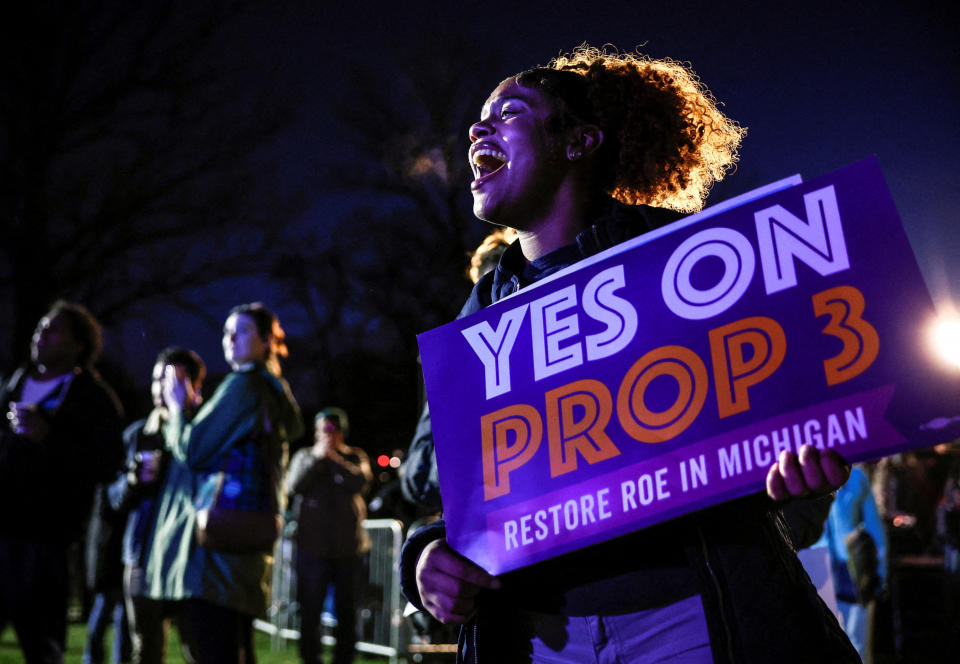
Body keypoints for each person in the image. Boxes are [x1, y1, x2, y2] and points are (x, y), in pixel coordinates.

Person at [399, 46, 859, 663]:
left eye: (508, 112)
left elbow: (789, 417)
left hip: (695, 625)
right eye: (480, 117)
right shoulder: (478, 311)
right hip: (536, 637)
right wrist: (425, 555)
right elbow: (467, 492)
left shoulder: (692, 259)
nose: (478, 128)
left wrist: (798, 481)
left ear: (578, 142)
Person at [144, 303, 304, 663]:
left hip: (218, 554)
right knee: (237, 647)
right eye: (227, 331)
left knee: (214, 646)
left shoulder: (242, 384)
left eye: (243, 330)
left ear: (266, 341)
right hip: (248, 544)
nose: (230, 337)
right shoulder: (273, 388)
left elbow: (193, 449)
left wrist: (177, 408)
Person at [0, 300, 124, 664]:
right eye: (40, 328)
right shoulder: (15, 383)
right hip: (2, 529)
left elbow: (106, 464)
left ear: (78, 344)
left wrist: (49, 437)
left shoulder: (92, 398)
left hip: (46, 538)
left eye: (54, 330)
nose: (42, 336)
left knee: (41, 643)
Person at [108, 347, 206, 664]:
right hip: (141, 556)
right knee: (145, 649)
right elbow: (113, 498)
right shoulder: (138, 435)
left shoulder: (203, 434)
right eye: (156, 380)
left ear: (195, 386)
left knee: (198, 647)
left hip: (188, 558)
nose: (162, 389)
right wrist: (133, 480)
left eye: (174, 381)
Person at [286, 408, 372, 664]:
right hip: (312, 549)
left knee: (348, 611)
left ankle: (343, 659)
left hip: (349, 550)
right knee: (310, 610)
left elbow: (361, 483)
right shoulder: (304, 457)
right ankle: (310, 658)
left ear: (341, 433)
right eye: (323, 430)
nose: (327, 436)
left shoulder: (354, 457)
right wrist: (317, 460)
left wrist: (335, 459)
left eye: (332, 431)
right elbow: (294, 485)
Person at [816, 464, 887, 662]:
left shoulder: (855, 477)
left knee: (858, 643)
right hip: (820, 569)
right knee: (826, 643)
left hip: (854, 569)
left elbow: (874, 528)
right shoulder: (809, 475)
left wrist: (880, 572)